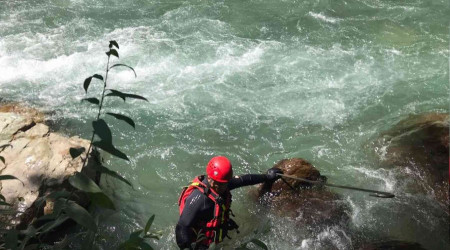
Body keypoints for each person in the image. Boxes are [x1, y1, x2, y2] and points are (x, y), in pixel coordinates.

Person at [176, 156, 283, 249]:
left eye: (225, 183)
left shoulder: (222, 184)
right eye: (219, 184)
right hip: (200, 242)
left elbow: (244, 180)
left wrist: (267, 177)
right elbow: (182, 227)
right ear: (209, 178)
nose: (222, 187)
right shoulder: (199, 199)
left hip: (216, 232)